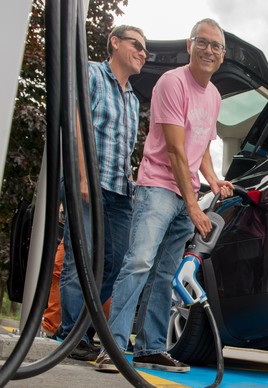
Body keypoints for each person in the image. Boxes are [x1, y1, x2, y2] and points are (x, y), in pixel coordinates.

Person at [95, 18, 233, 373]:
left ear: (222, 56)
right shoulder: (172, 83)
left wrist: (214, 179)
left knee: (166, 273)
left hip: (186, 193)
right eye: (201, 42)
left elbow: (198, 143)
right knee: (139, 261)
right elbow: (174, 150)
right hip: (158, 186)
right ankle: (111, 345)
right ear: (190, 46)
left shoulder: (214, 96)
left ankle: (151, 347)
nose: (208, 50)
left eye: (215, 46)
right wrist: (193, 205)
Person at [57, 25, 148, 361]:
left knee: (118, 262)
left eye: (145, 50)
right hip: (88, 182)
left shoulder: (134, 101)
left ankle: (85, 325)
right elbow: (77, 123)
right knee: (80, 257)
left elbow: (125, 150)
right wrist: (81, 175)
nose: (142, 53)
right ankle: (70, 334)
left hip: (119, 191)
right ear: (115, 42)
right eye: (137, 45)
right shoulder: (92, 74)